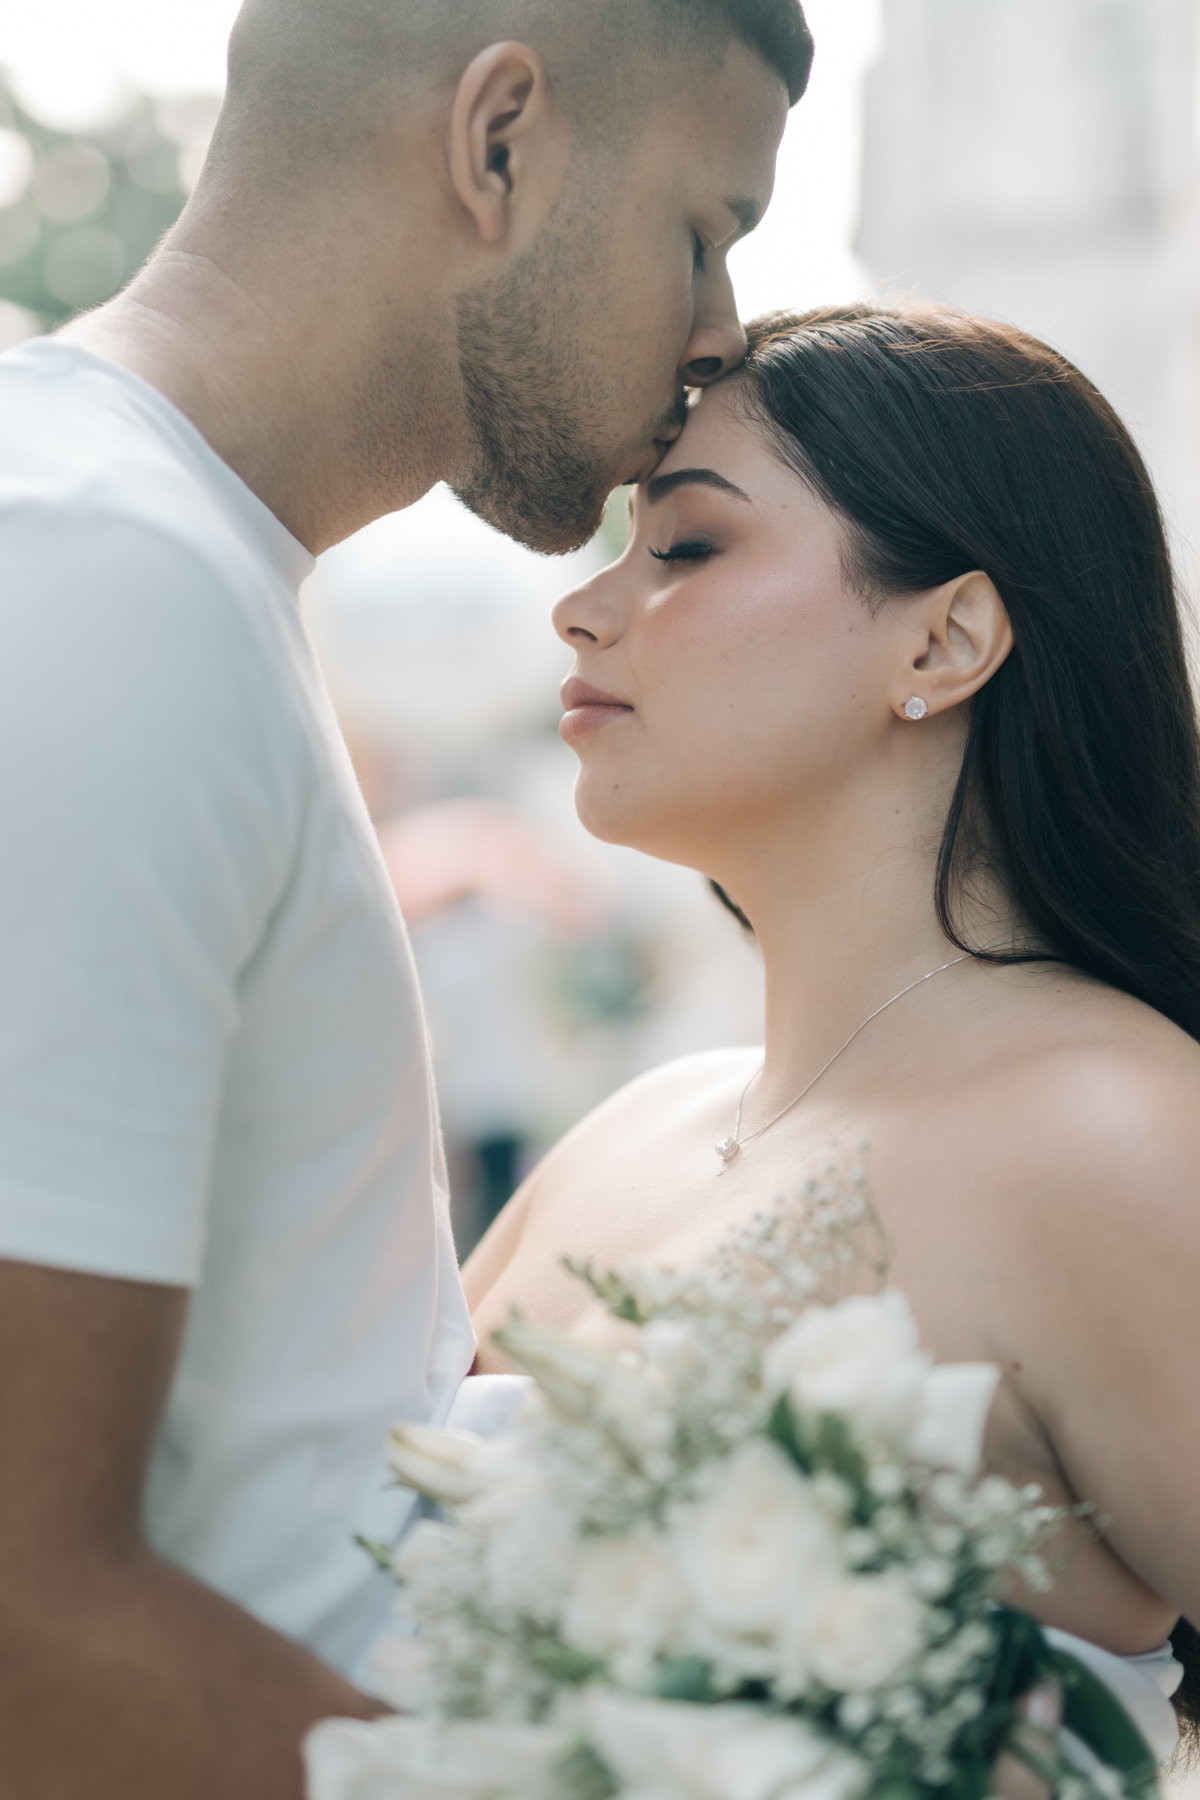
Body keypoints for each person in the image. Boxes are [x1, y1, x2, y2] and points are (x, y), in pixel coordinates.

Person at [0, 1, 812, 1795]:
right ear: (498, 141)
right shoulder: (101, 582)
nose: (720, 334)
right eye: (705, 231)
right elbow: (19, 1618)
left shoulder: (183, 570)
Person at [463, 303, 1200, 1758]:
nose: (583, 608)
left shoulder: (1116, 1135)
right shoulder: (621, 1139)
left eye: (686, 546)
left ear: (947, 636)